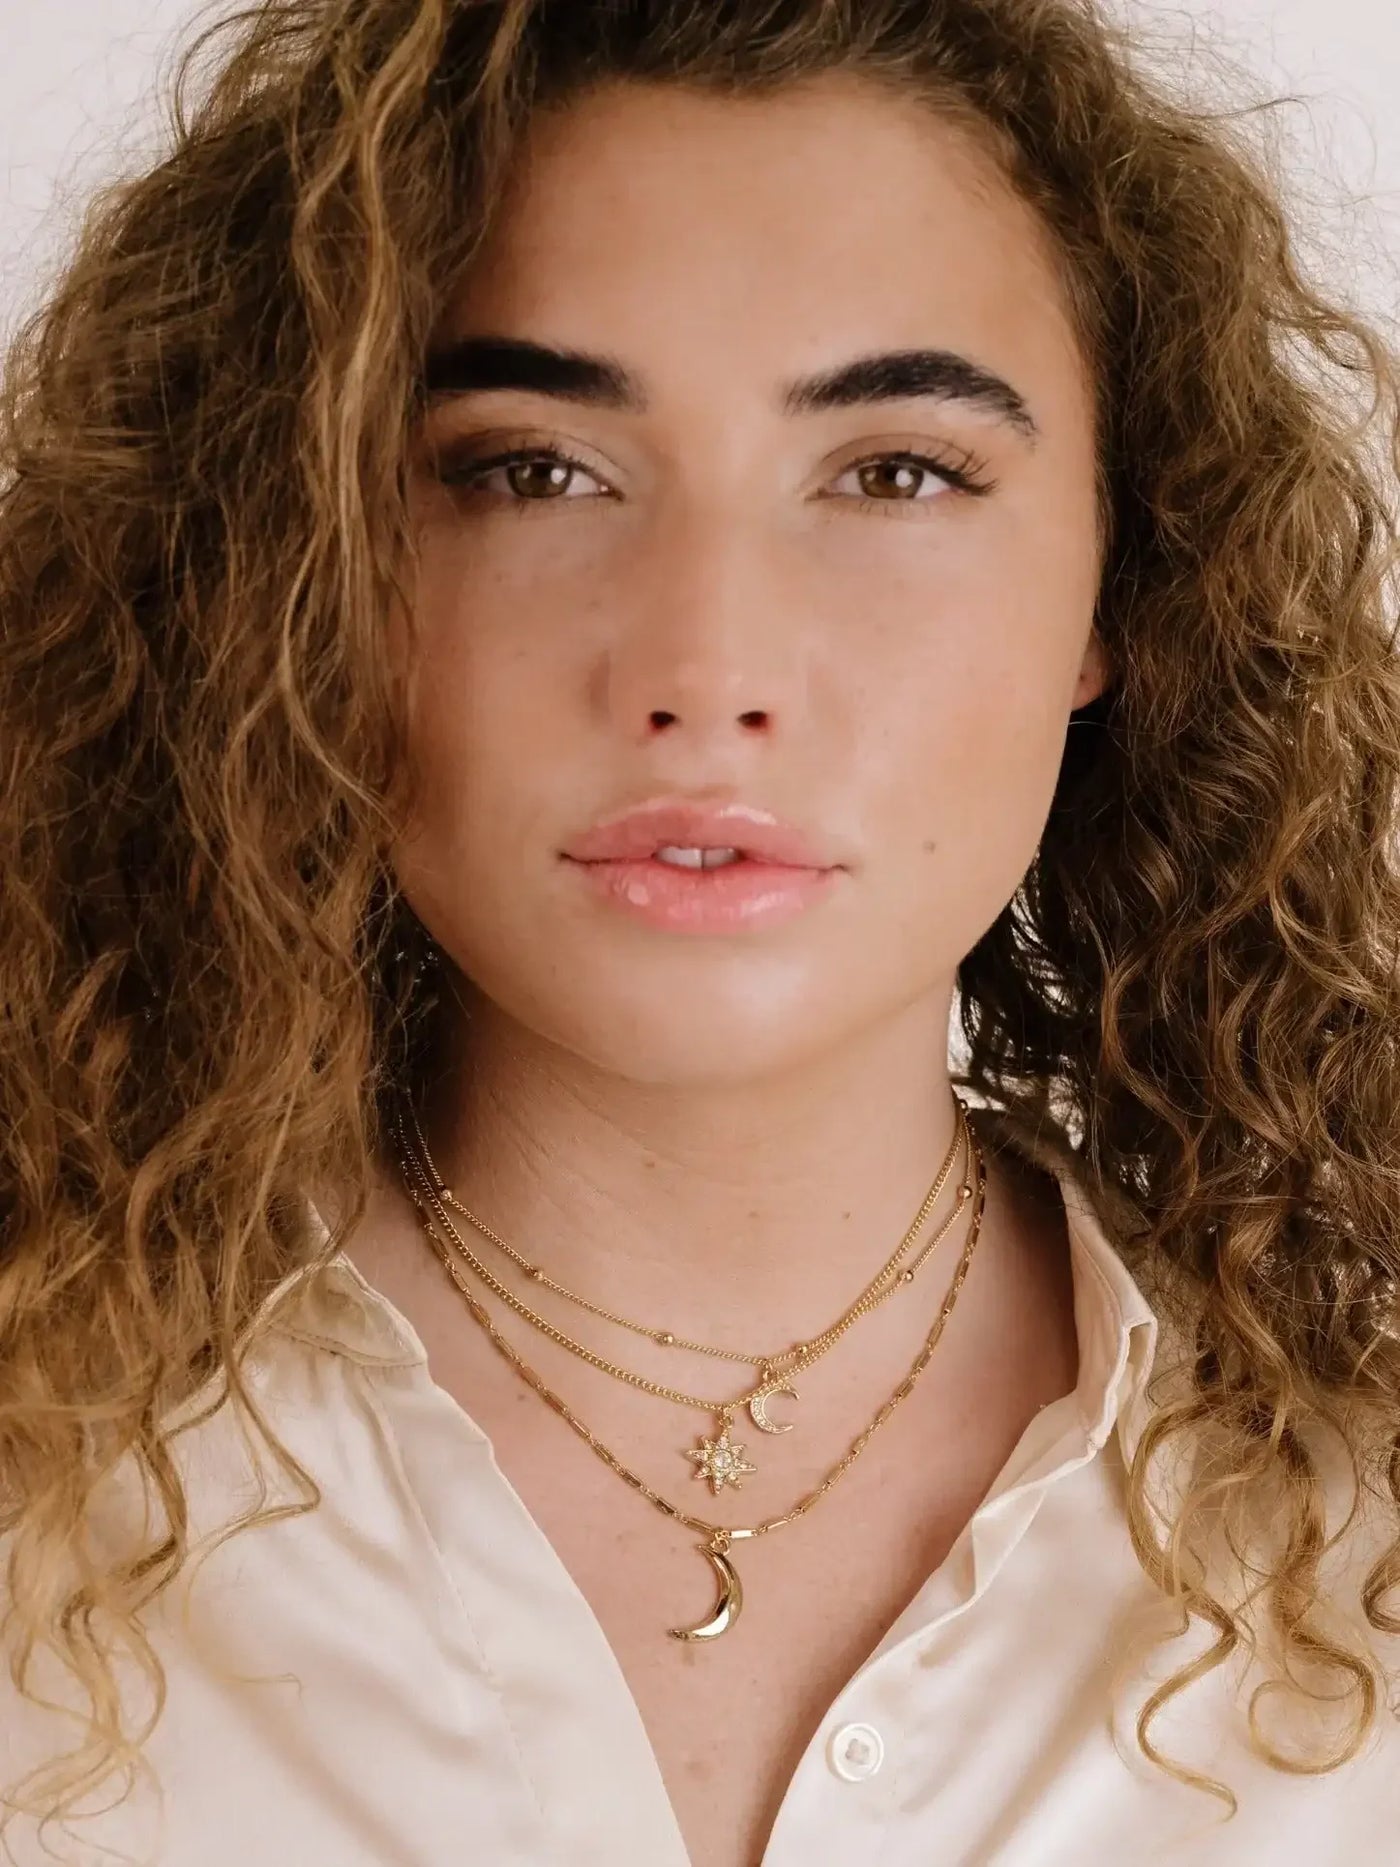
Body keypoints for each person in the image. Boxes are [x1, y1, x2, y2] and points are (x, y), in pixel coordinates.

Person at [3, 0, 1400, 1861]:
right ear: (301, 564)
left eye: (896, 473)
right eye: (530, 470)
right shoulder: (45, 1498)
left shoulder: (1361, 1547)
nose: (708, 672)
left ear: (1116, 583)